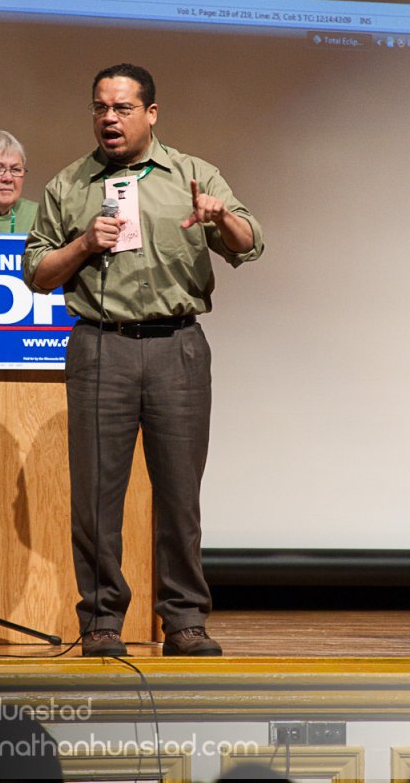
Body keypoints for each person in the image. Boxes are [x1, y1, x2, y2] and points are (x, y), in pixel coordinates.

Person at [22, 63, 264, 658]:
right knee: (96, 494)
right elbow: (36, 273)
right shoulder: (69, 185)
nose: (109, 118)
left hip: (176, 345)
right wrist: (83, 242)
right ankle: (102, 619)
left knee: (179, 493)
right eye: (101, 108)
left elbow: (250, 241)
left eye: (122, 108)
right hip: (100, 343)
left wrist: (220, 216)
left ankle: (183, 618)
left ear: (150, 114)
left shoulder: (191, 174)